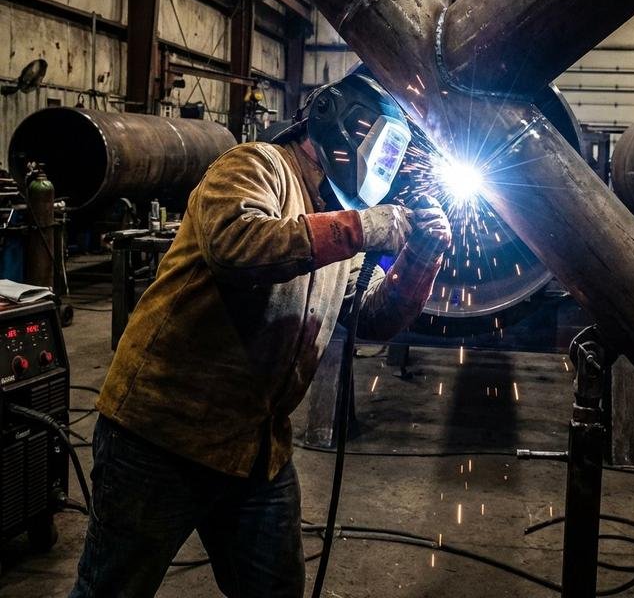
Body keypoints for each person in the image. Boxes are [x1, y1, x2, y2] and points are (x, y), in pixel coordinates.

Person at [69, 72, 451, 598]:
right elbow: (236, 246)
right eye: (381, 153)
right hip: (162, 434)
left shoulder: (338, 212)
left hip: (255, 447)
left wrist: (420, 259)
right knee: (111, 590)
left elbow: (370, 316)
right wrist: (360, 228)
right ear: (336, 123)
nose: (385, 170)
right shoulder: (254, 165)